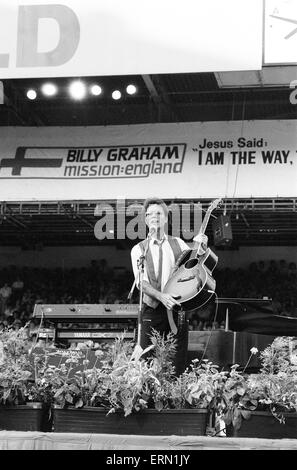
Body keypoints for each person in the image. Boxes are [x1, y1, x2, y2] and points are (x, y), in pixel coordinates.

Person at [130, 197, 208, 375]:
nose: (154, 217)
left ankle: (175, 397)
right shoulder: (139, 249)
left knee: (176, 359)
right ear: (145, 220)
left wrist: (202, 246)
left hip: (176, 308)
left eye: (158, 213)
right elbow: (141, 282)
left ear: (165, 219)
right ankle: (146, 399)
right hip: (152, 309)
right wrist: (161, 296)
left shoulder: (178, 243)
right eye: (149, 214)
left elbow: (193, 266)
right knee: (145, 359)